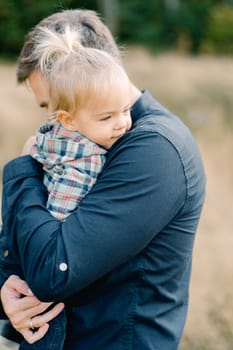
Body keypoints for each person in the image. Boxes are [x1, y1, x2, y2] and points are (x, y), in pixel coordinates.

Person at [0, 8, 206, 350]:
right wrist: (7, 291)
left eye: (53, 104)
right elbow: (28, 242)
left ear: (86, 69)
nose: (55, 122)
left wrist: (22, 171)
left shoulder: (155, 149)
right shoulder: (89, 141)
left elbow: (54, 271)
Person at [1, 24, 132, 349]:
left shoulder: (52, 141)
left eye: (127, 110)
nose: (122, 124)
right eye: (49, 110)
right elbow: (49, 249)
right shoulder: (81, 153)